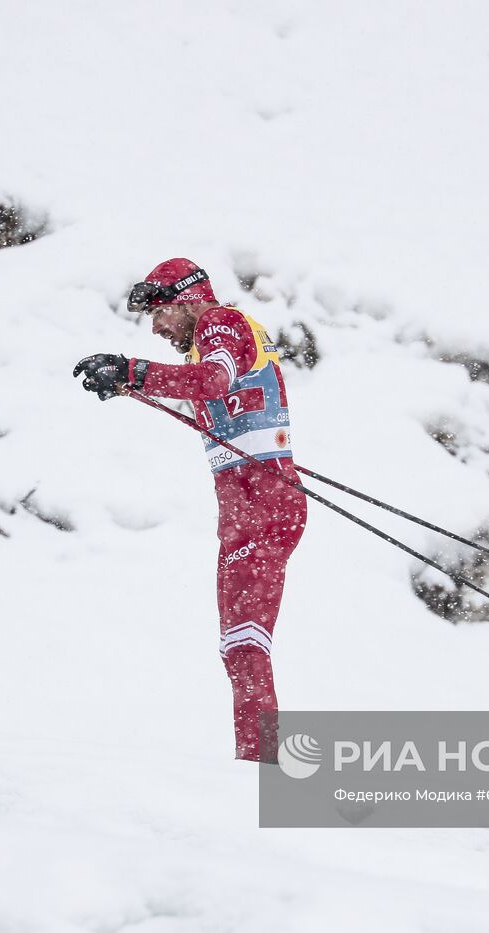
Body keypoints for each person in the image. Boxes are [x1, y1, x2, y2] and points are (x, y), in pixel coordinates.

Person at [73, 258, 306, 762]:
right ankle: (258, 760)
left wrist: (132, 370)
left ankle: (261, 766)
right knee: (237, 647)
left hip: (263, 502)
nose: (156, 327)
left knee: (244, 646)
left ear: (189, 299)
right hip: (249, 507)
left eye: (160, 313)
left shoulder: (220, 322)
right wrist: (129, 383)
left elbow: (211, 382)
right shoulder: (212, 337)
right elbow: (204, 385)